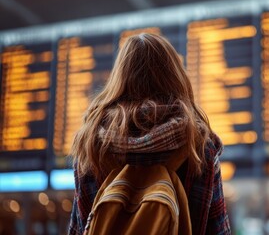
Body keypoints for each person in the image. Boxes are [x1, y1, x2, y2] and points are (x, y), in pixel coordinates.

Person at [68, 33, 231, 235]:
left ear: (119, 78)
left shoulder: (91, 143)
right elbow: (217, 230)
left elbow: (80, 226)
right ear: (175, 77)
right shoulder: (198, 145)